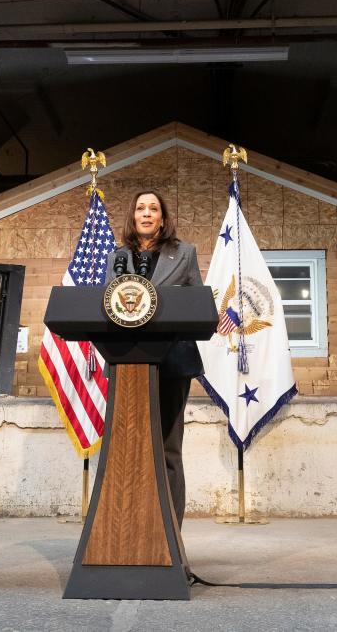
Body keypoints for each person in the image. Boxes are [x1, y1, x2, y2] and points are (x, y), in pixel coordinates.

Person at [105, 190, 203, 527]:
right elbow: (105, 309)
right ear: (133, 216)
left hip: (173, 362)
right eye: (140, 208)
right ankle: (131, 532)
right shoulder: (118, 258)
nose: (147, 214)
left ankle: (172, 536)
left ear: (163, 217)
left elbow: (196, 309)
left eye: (154, 208)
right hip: (126, 361)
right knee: (128, 451)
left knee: (167, 449)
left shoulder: (184, 253)